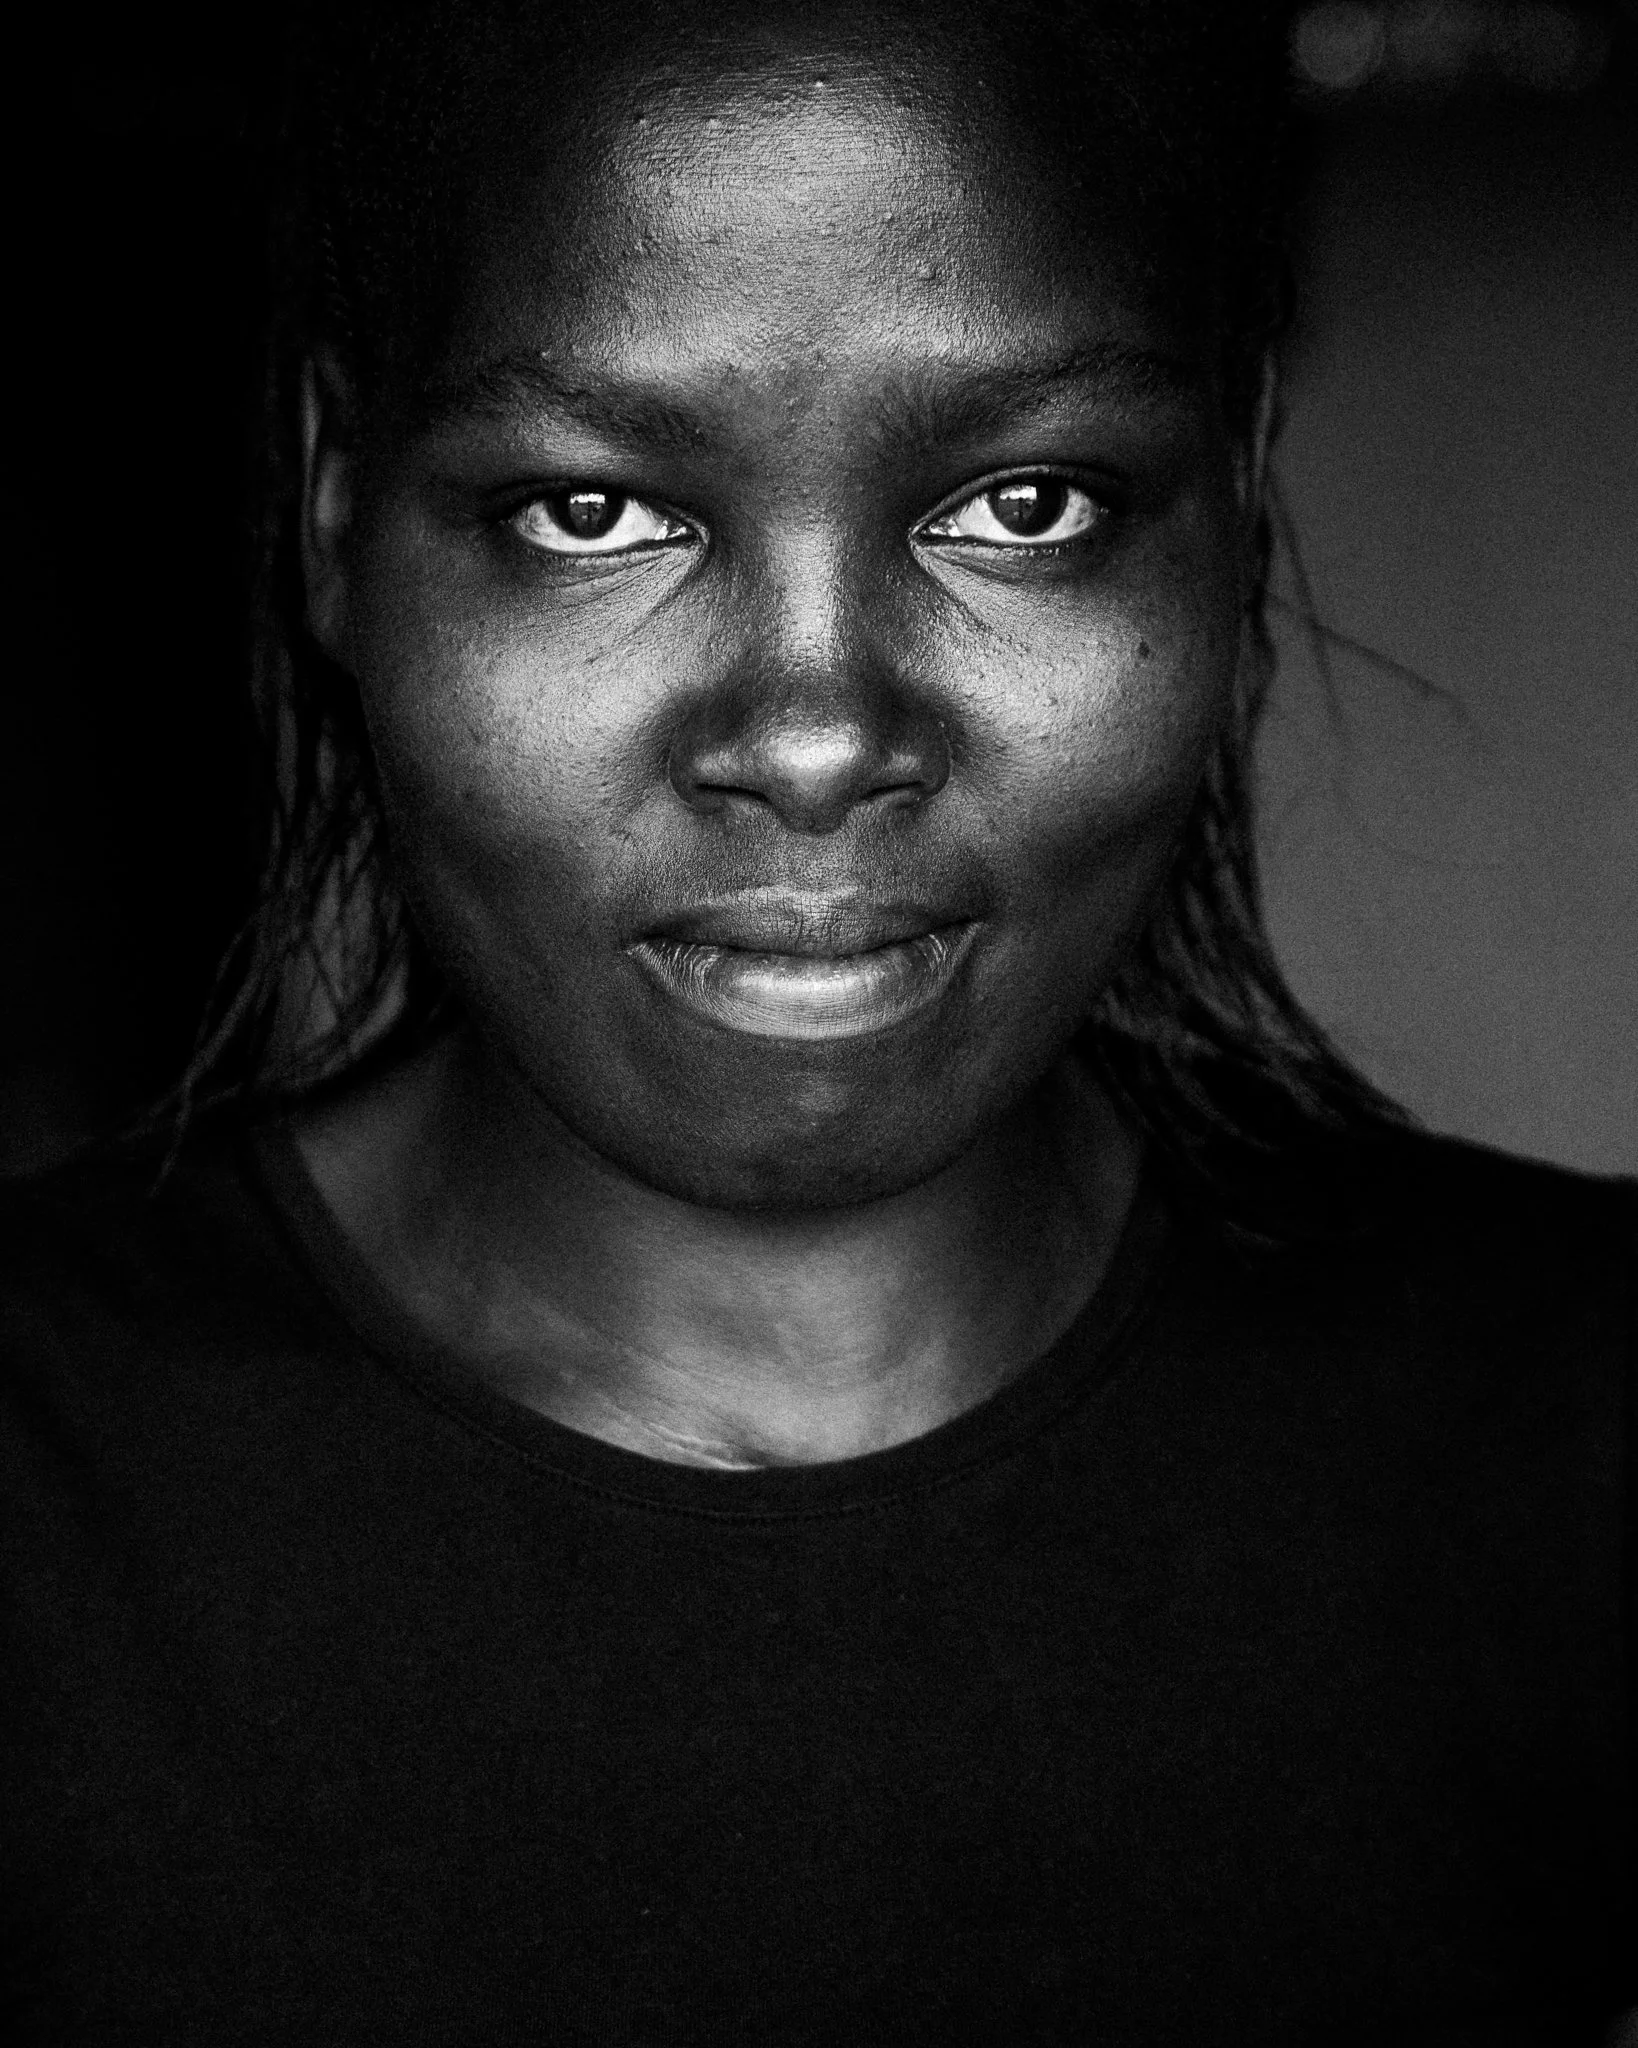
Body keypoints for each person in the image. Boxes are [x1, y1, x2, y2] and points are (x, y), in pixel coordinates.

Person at [2, 1, 1631, 2040]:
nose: (811, 735)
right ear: (340, 514)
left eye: (1025, 504)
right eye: (591, 513)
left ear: (1231, 503)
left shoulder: (1574, 1453)